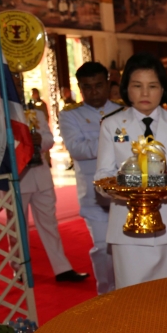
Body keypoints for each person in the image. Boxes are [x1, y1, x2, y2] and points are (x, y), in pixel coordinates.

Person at [95, 53, 167, 289]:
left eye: (152, 86)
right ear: (126, 89)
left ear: (163, 89)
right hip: (127, 226)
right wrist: (127, 193)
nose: (145, 93)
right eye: (137, 86)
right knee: (132, 296)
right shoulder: (112, 125)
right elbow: (102, 175)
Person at [59, 62, 123, 295]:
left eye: (98, 85)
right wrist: (113, 142)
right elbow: (77, 149)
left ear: (107, 84)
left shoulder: (123, 110)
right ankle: (106, 293)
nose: (94, 92)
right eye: (87, 87)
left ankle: (127, 290)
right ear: (80, 88)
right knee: (103, 247)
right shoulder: (70, 115)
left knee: (124, 246)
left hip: (124, 191)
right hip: (93, 194)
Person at [18, 109, 90, 283]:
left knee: (49, 223)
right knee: (17, 227)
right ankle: (20, 268)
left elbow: (49, 139)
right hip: (18, 177)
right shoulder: (3, 111)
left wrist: (39, 140)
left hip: (41, 175)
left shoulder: (36, 113)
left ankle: (62, 268)